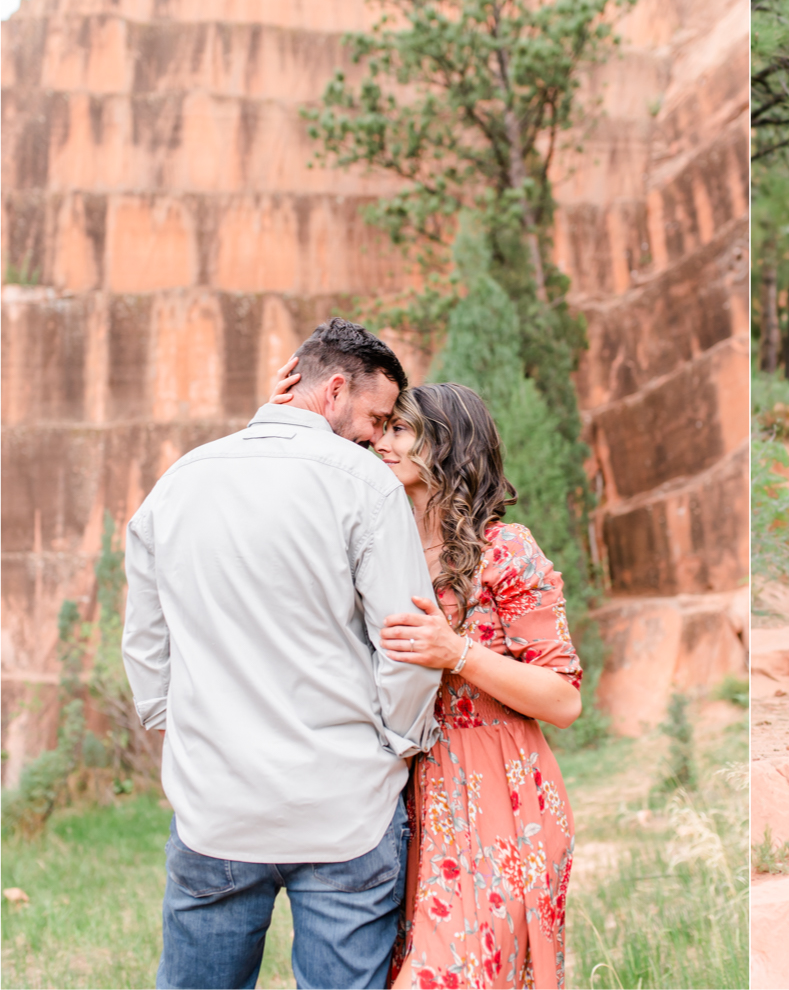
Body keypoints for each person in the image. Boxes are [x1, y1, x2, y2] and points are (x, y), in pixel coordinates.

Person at [122, 318, 442, 990]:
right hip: (344, 810)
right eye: (377, 417)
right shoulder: (364, 483)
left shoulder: (178, 482)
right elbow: (406, 641)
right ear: (333, 391)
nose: (378, 438)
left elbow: (146, 647)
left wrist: (175, 728)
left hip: (217, 809)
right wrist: (397, 745)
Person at [268, 367, 583, 990]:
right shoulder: (379, 548)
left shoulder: (505, 551)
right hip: (404, 796)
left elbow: (563, 699)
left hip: (503, 793)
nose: (380, 441)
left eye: (401, 429)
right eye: (380, 427)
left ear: (448, 445)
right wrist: (281, 414)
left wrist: (456, 653)